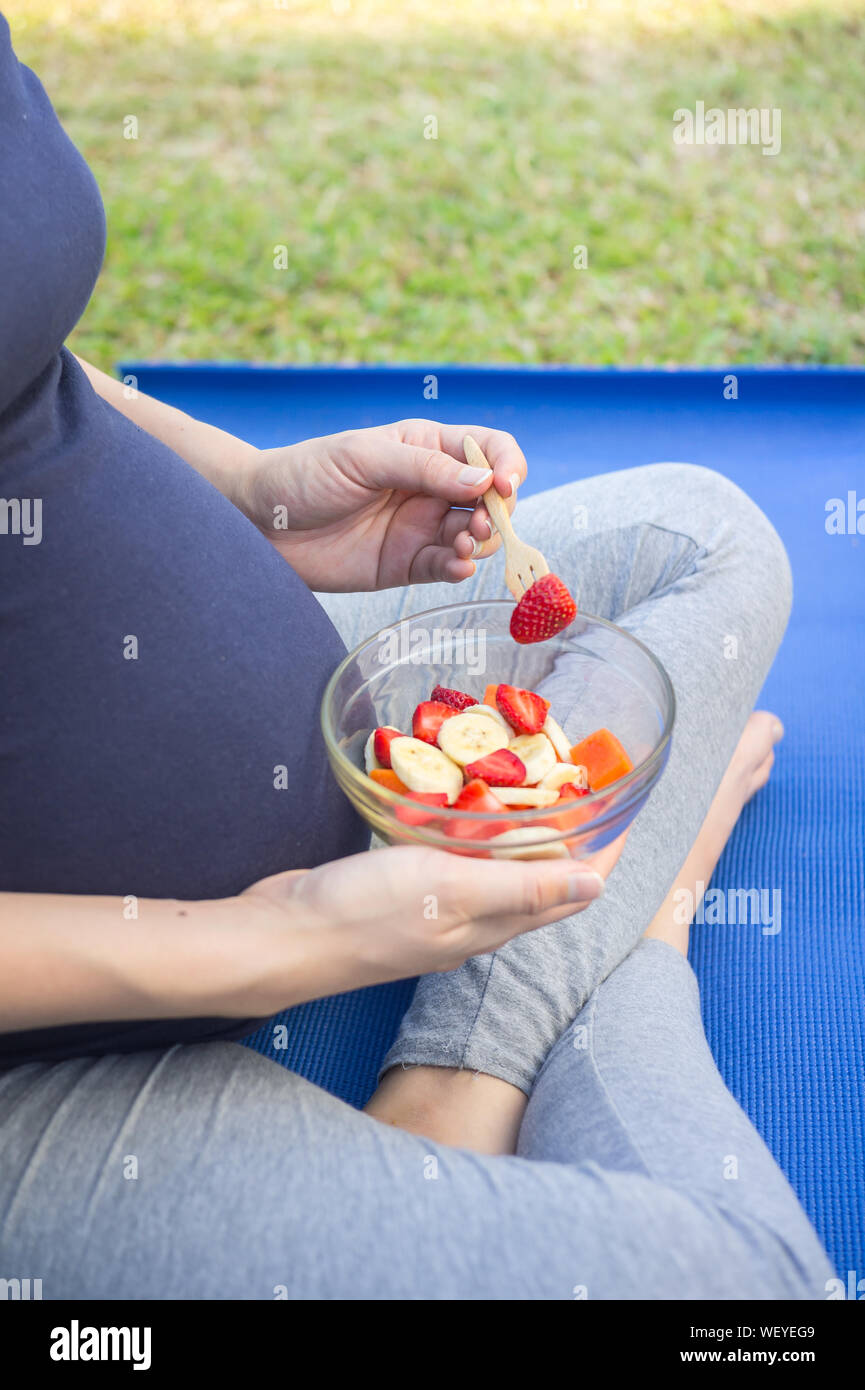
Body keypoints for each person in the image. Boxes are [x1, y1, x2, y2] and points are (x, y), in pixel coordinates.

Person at [0, 12, 832, 1298]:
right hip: (47, 1063)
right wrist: (258, 942)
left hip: (315, 753)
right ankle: (629, 938)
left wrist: (257, 496)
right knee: (746, 1299)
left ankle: (461, 1072)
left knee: (702, 539)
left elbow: (20, 358)